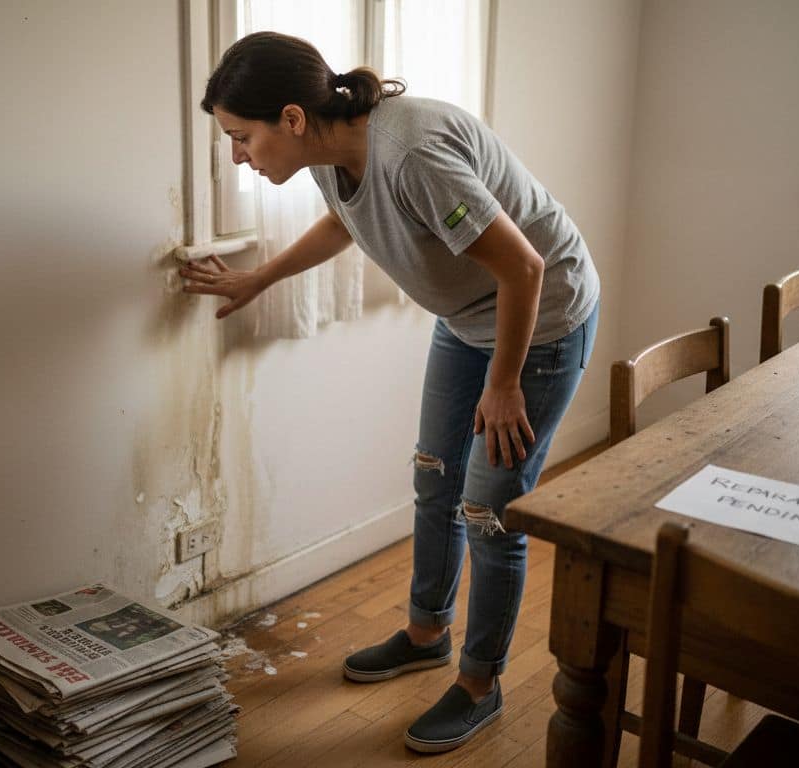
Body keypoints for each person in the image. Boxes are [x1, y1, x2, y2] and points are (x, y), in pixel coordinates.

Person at [182, 31, 600, 754]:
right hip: (468, 319)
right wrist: (260, 278)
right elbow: (344, 221)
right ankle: (426, 633)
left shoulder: (413, 155)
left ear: (290, 118)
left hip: (541, 320)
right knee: (435, 478)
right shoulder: (325, 151)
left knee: (489, 508)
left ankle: (481, 683)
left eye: (239, 136)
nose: (236, 156)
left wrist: (505, 384)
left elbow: (525, 269)